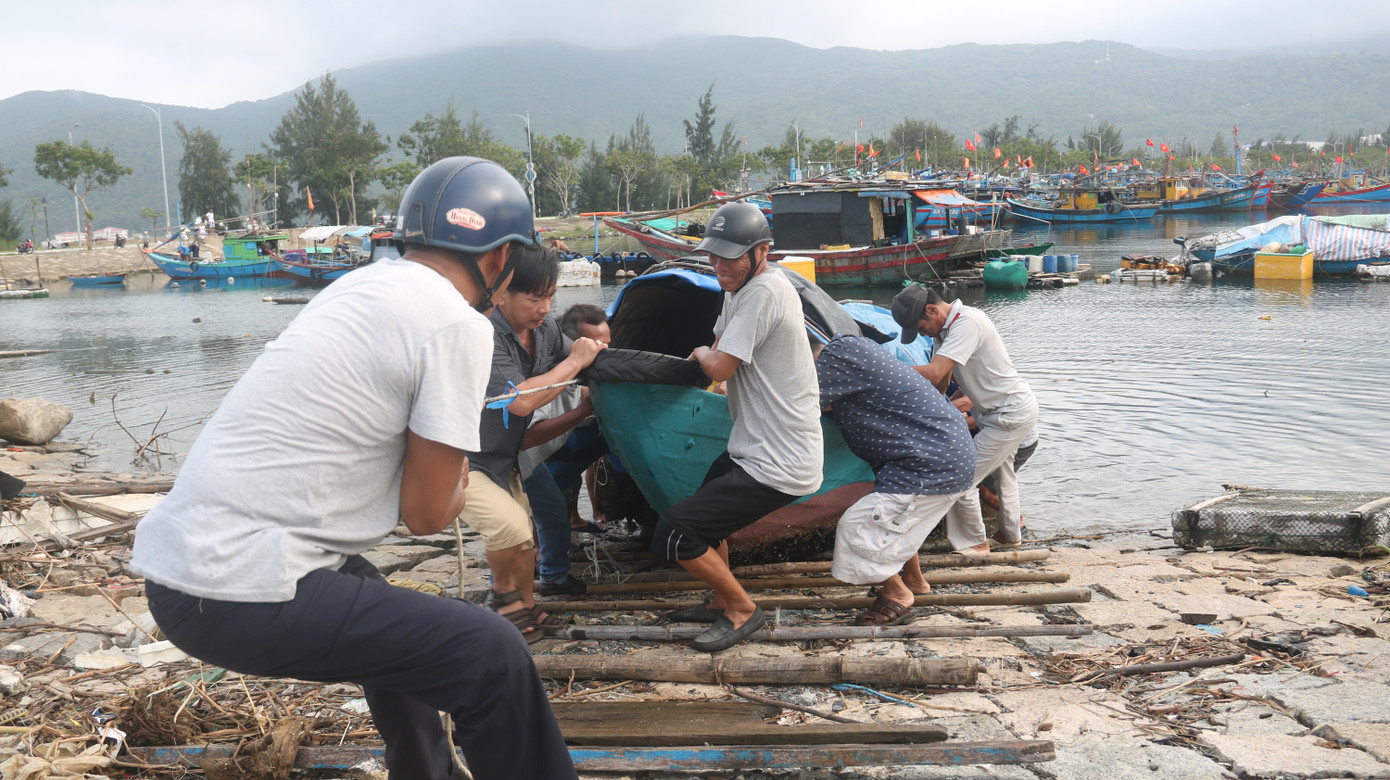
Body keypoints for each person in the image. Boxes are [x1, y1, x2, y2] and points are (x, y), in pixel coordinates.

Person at [129, 156, 579, 780]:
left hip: (177, 574)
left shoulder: (357, 287)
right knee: (492, 651)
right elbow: (427, 515)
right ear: (503, 257)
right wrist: (453, 484)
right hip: (235, 588)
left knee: (387, 613)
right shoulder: (458, 324)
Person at [653, 201, 824, 652]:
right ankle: (719, 599)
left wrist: (698, 355)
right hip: (752, 445)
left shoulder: (765, 290)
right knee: (705, 522)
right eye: (713, 255)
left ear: (761, 251)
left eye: (729, 257)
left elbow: (720, 365)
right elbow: (720, 340)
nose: (719, 265)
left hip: (779, 458)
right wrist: (707, 353)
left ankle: (741, 609)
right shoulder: (738, 289)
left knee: (676, 533)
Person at [459, 245, 605, 643]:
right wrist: (574, 363)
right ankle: (503, 609)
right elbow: (520, 401)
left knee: (524, 538)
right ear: (501, 291)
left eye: (551, 297)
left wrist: (605, 360)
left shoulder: (545, 330)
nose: (545, 308)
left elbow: (582, 360)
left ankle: (524, 608)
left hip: (508, 459)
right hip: (461, 459)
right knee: (510, 527)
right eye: (535, 298)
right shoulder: (483, 333)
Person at [812, 334, 976, 624]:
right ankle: (914, 580)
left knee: (857, 526)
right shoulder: (856, 352)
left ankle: (898, 593)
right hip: (941, 455)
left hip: (928, 464)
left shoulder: (835, 358)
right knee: (895, 521)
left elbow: (798, 400)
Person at [892, 284, 1038, 554]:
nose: (923, 334)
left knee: (960, 475)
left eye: (921, 328)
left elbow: (935, 372)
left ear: (932, 310)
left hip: (1009, 414)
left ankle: (975, 543)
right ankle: (1010, 534)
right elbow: (942, 382)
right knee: (1004, 475)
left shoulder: (967, 323)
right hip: (995, 415)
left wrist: (886, 368)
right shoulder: (944, 333)